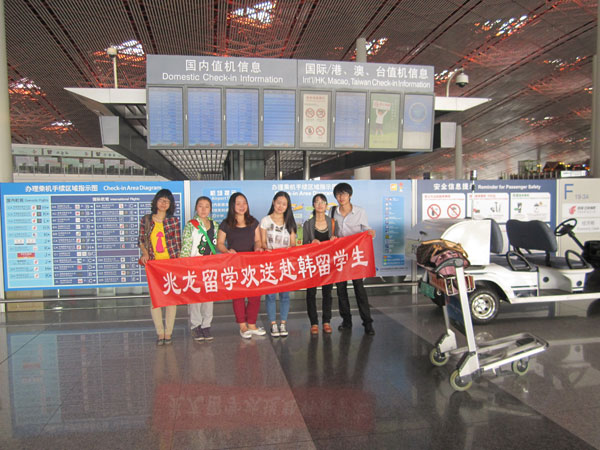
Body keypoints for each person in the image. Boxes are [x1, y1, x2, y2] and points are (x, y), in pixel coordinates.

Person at [217, 192, 266, 339]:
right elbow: (220, 244)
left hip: (252, 264)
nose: (242, 206)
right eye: (238, 203)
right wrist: (227, 251)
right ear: (232, 206)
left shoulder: (253, 222)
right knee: (238, 296)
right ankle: (242, 326)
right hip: (235, 264)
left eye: (244, 203)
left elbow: (258, 241)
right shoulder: (226, 223)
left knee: (254, 295)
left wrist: (258, 248)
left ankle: (252, 324)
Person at [331, 182, 375, 336]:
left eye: (344, 194)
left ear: (350, 195)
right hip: (340, 256)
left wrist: (370, 233)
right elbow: (331, 231)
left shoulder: (360, 211)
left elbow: (366, 230)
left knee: (359, 289)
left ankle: (367, 323)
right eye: (338, 194)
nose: (341, 197)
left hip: (355, 255)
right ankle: (346, 321)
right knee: (341, 290)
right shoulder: (332, 211)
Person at [138, 189, 181, 345]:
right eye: (161, 200)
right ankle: (160, 332)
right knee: (155, 299)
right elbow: (141, 240)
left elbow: (178, 244)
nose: (164, 203)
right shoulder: (146, 220)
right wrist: (145, 254)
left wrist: (178, 263)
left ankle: (168, 333)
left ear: (170, 205)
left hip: (170, 264)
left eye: (167, 201)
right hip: (154, 265)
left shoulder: (174, 221)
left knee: (171, 299)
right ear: (156, 201)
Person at [181, 196, 219, 342]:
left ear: (210, 209)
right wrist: (184, 266)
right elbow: (186, 246)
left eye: (207, 206)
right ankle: (196, 325)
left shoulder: (215, 225)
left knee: (209, 296)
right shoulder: (191, 225)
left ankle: (206, 325)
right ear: (196, 208)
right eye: (200, 206)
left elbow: (216, 245)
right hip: (194, 266)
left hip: (210, 266)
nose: (203, 209)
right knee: (195, 296)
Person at [260, 191, 297, 337]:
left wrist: (289, 251)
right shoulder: (265, 221)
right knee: (270, 296)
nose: (281, 206)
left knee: (285, 295)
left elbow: (293, 243)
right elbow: (263, 242)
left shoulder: (290, 222)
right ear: (273, 202)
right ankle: (273, 324)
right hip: (269, 264)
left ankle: (283, 323)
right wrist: (267, 249)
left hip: (285, 265)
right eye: (278, 203)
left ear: (287, 206)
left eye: (284, 204)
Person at [302, 193, 340, 335]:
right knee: (311, 293)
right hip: (312, 263)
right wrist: (310, 243)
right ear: (313, 205)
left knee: (327, 292)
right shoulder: (308, 224)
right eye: (317, 201)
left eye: (322, 202)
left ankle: (326, 321)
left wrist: (335, 240)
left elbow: (340, 243)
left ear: (326, 205)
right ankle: (313, 322)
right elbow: (303, 244)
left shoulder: (333, 222)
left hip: (328, 263)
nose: (319, 204)